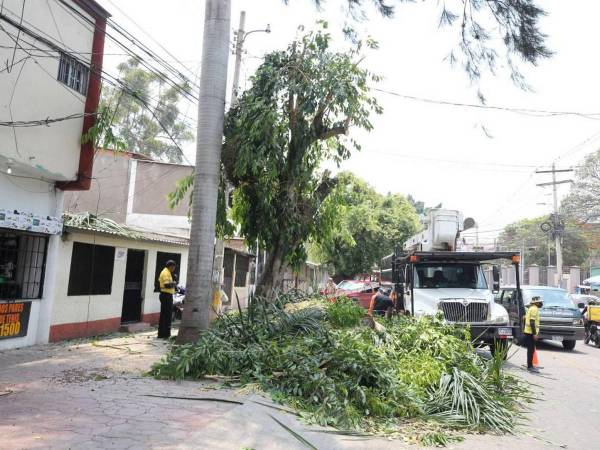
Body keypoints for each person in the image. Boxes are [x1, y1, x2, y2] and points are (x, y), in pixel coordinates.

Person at [158, 260, 177, 339]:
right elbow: (166, 285)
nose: (174, 269)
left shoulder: (167, 272)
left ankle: (163, 333)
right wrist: (175, 283)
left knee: (165, 315)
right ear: (170, 266)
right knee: (167, 315)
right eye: (173, 267)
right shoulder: (165, 273)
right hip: (166, 295)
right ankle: (164, 334)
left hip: (166, 295)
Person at [523, 295, 543, 373]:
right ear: (537, 303)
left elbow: (525, 319)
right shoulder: (534, 309)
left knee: (530, 350)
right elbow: (532, 322)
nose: (541, 303)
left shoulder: (531, 308)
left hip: (528, 332)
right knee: (531, 350)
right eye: (540, 302)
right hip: (531, 333)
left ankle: (530, 364)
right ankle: (530, 366)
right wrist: (534, 333)